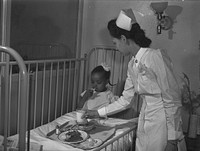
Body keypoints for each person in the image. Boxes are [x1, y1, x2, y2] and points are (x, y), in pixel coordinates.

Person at [83, 9, 186, 151]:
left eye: (115, 43)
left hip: (163, 122)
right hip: (145, 117)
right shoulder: (132, 64)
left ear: (124, 39)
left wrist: (172, 140)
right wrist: (98, 112)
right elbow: (126, 100)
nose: (116, 47)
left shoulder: (154, 57)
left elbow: (172, 100)